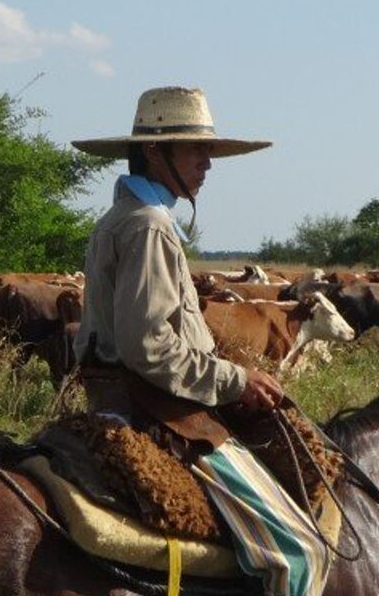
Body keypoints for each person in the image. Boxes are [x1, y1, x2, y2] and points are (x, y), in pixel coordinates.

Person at [71, 86, 328, 596]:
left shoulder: (121, 219)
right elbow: (147, 345)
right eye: (195, 150)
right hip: (157, 410)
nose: (207, 164)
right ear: (153, 151)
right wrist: (235, 380)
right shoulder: (149, 226)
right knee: (300, 553)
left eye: (208, 151)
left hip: (126, 396)